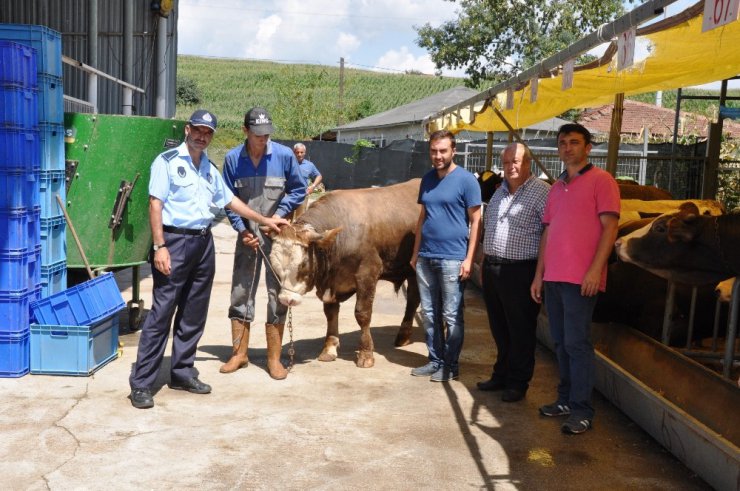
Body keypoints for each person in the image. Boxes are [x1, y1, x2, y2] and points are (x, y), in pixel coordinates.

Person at [129, 110, 288, 409]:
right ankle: (141, 383)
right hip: (174, 242)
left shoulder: (209, 169)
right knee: (162, 313)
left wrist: (263, 219)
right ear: (188, 129)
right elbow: (155, 204)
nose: (202, 136)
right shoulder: (166, 162)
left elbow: (229, 201)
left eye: (208, 132)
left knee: (193, 313)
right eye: (198, 130)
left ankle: (181, 372)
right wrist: (160, 246)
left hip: (203, 243)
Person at [530, 123, 620, 434]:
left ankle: (582, 410)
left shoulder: (602, 181)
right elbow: (548, 232)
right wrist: (539, 274)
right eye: (563, 142)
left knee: (577, 344)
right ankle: (565, 400)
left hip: (582, 278)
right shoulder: (556, 187)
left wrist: (596, 269)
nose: (567, 148)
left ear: (588, 147)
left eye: (574, 142)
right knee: (560, 342)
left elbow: (610, 228)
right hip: (554, 277)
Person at [220, 107, 307, 380]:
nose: (263, 139)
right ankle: (239, 354)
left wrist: (279, 216)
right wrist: (241, 229)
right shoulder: (233, 159)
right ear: (245, 131)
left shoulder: (283, 156)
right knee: (241, 292)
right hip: (247, 238)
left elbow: (298, 189)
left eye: (267, 134)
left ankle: (274, 359)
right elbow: (227, 198)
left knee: (277, 294)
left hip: (277, 239)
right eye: (258, 135)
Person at [478, 143, 550, 402]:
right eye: (507, 162)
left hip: (522, 270)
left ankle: (518, 382)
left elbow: (548, 234)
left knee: (520, 329)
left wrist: (539, 275)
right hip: (494, 267)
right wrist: (485, 262)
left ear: (528, 163)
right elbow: (491, 228)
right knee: (499, 327)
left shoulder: (542, 193)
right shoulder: (499, 192)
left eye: (516, 161)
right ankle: (501, 374)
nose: (511, 167)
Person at [410, 129, 481, 382]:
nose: (438, 156)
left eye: (443, 151)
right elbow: (422, 218)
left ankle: (451, 365)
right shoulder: (427, 179)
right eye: (433, 151)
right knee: (429, 313)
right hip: (426, 257)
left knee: (451, 314)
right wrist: (416, 252)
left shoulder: (466, 180)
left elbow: (476, 220)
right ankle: (435, 360)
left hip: (453, 258)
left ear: (453, 151)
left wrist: (469, 258)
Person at [293, 142, 323, 219]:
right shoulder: (289, 162)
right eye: (297, 152)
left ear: (305, 153)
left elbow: (319, 176)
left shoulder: (309, 165)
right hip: (289, 194)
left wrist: (312, 186)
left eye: (301, 152)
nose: (299, 154)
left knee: (300, 218)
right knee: (286, 218)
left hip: (303, 195)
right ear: (294, 152)